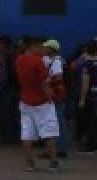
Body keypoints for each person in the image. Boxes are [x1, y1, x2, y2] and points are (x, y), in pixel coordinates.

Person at [16, 39, 60, 172]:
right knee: (49, 132)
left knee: (27, 133)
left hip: (25, 100)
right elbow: (44, 83)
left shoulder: (19, 60)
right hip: (42, 102)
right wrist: (51, 96)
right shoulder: (38, 61)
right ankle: (53, 162)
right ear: (33, 46)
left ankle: (29, 163)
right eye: (40, 46)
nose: (42, 49)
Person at [42, 39, 69, 158]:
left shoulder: (56, 62)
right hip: (54, 93)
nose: (44, 49)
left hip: (55, 94)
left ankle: (60, 148)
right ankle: (57, 148)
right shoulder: (53, 60)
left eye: (46, 47)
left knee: (58, 121)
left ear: (51, 49)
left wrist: (47, 81)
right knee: (56, 121)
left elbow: (58, 77)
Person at [77, 40, 97, 153]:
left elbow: (85, 82)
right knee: (94, 119)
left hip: (88, 95)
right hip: (95, 93)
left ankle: (89, 145)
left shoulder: (87, 65)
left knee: (88, 120)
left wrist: (82, 99)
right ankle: (96, 143)